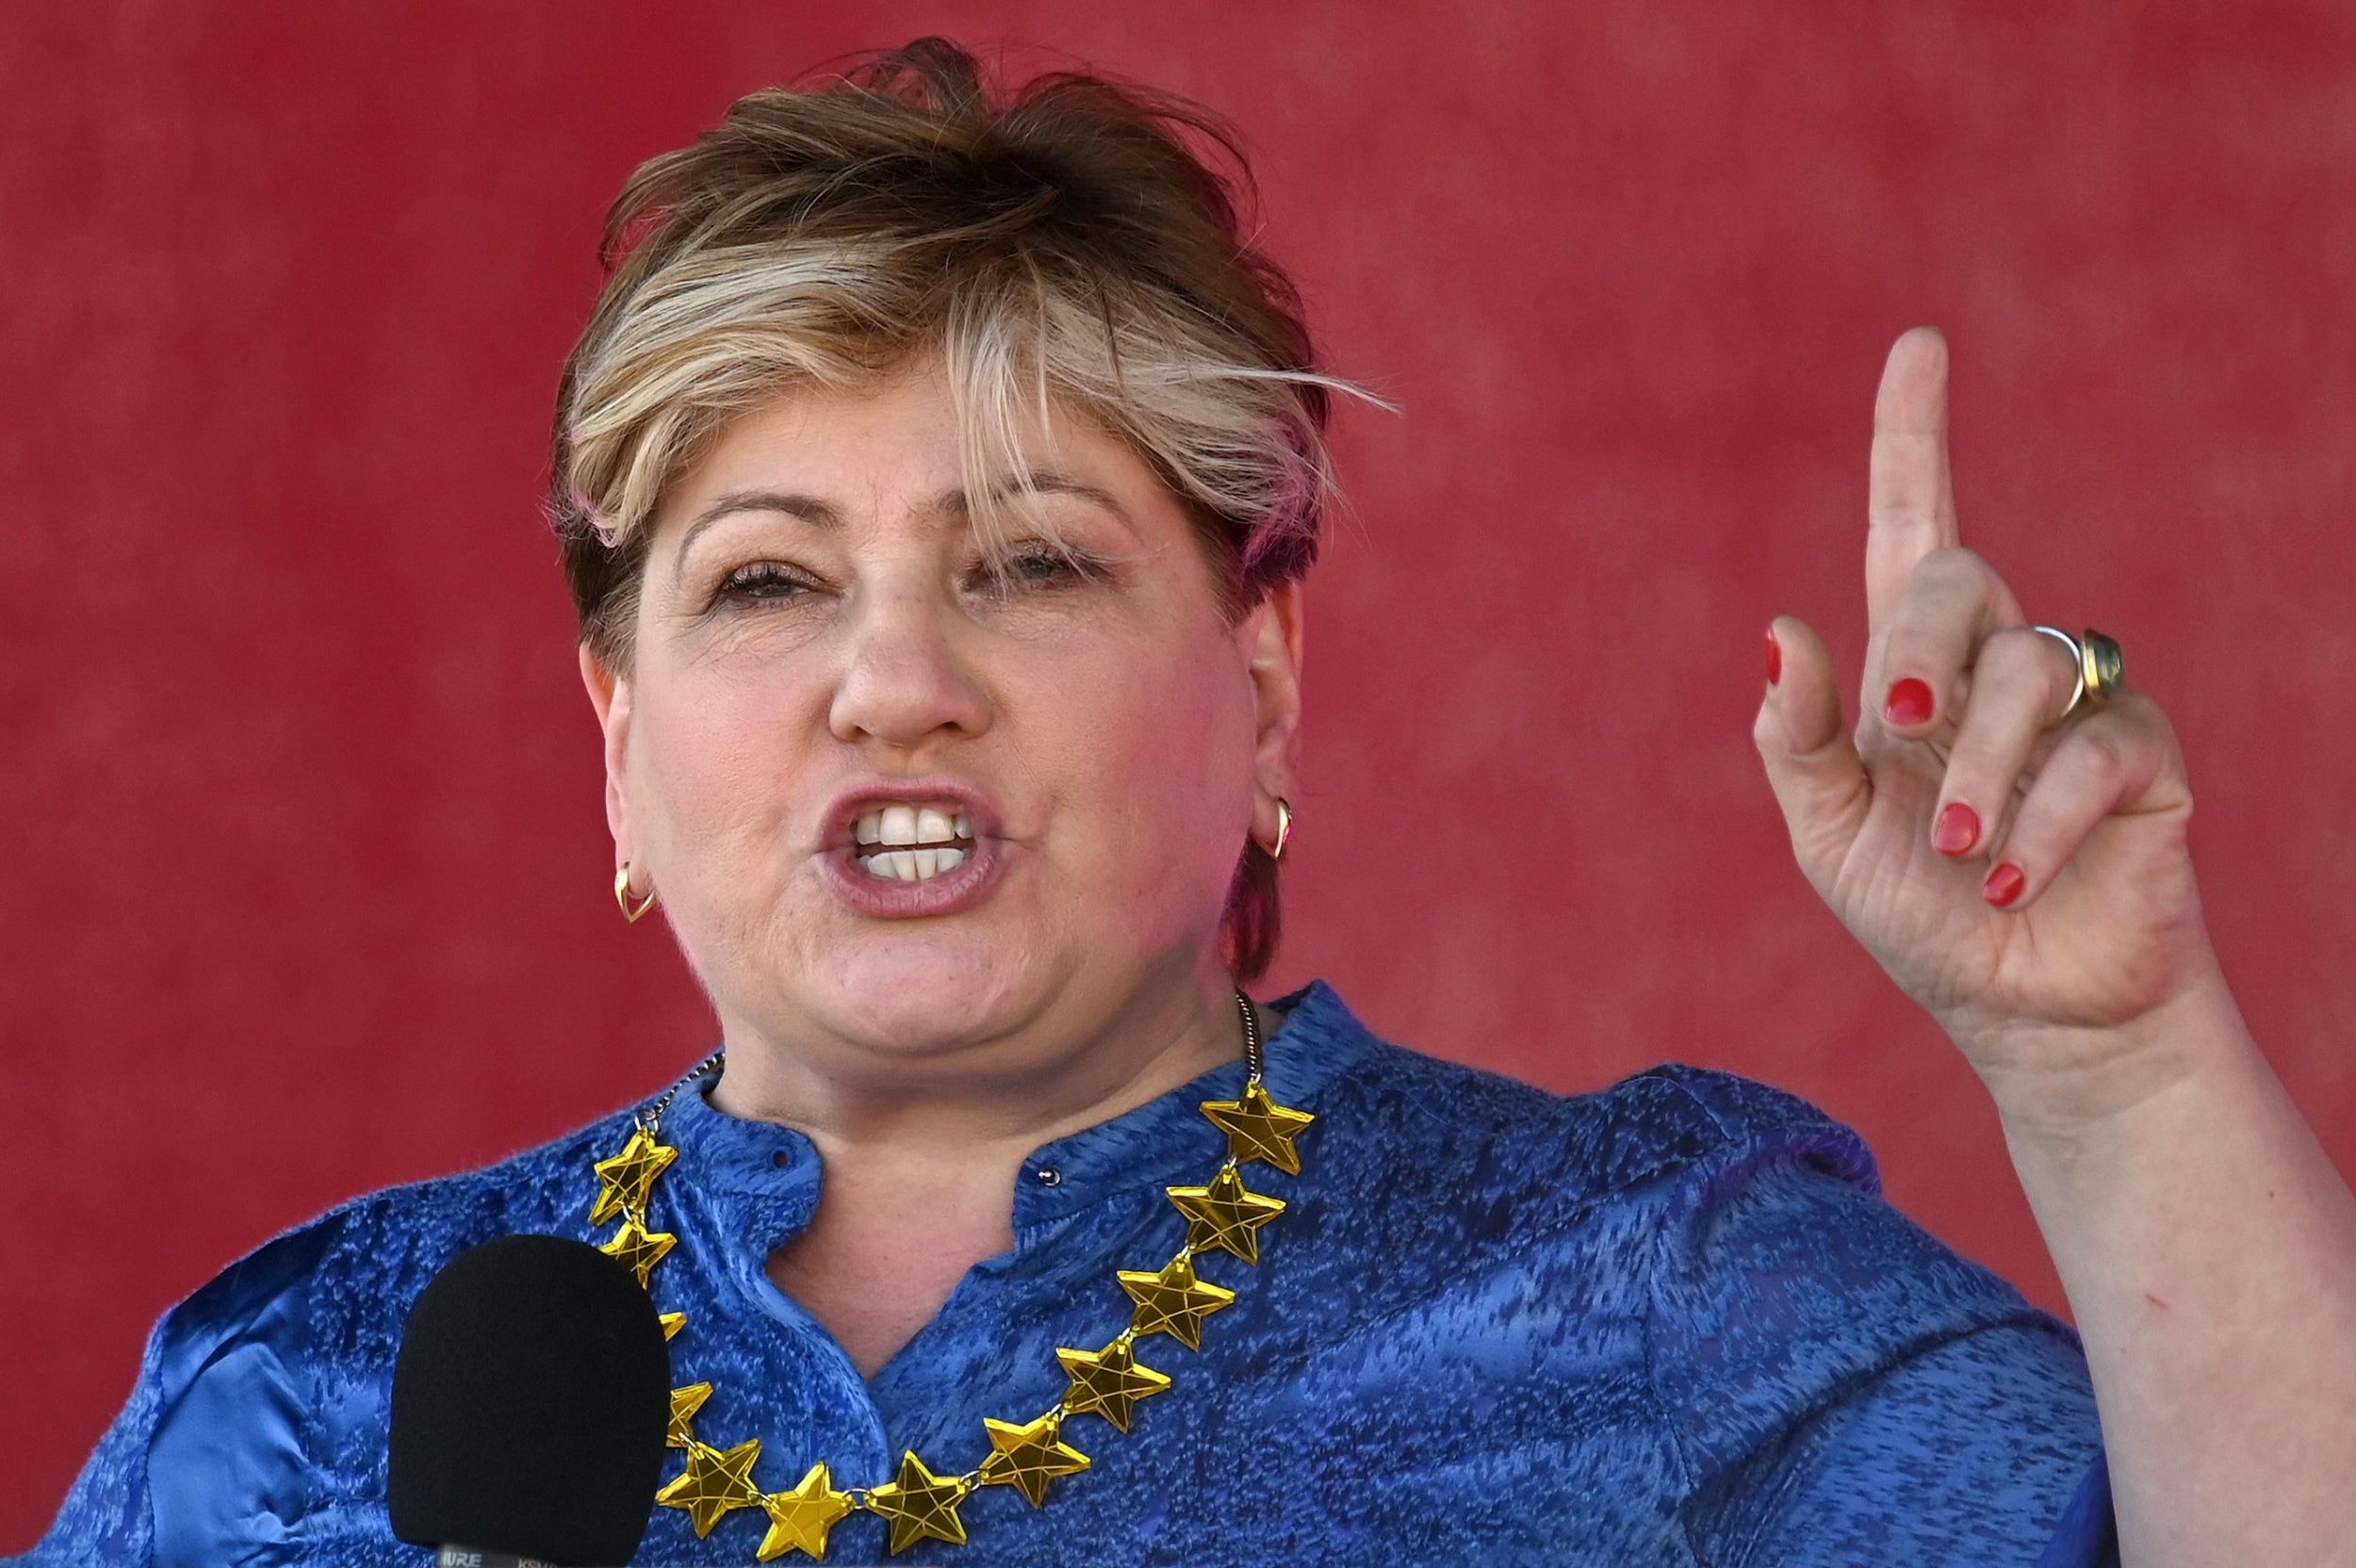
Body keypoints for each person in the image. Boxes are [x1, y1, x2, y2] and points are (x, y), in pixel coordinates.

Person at [33, 37, 2356, 1568]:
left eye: (1029, 562)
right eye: (762, 584)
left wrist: (2114, 1063)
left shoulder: (1638, 1287)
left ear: (1260, 690)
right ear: (620, 741)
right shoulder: (306, 1387)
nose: (893, 683)